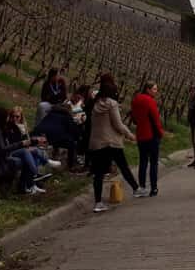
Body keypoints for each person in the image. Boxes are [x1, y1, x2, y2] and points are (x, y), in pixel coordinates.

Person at [89, 74, 145, 212]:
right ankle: (136, 189)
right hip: (111, 142)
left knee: (98, 173)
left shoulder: (95, 103)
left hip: (96, 142)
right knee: (123, 166)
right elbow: (118, 124)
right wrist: (130, 135)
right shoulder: (112, 104)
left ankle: (98, 203)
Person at [0, 107, 41, 195]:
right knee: (23, 157)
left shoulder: (0, 128)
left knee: (29, 153)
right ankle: (32, 178)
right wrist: (21, 144)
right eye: (8, 116)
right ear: (2, 117)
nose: (9, 119)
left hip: (1, 157)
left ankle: (29, 181)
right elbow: (3, 149)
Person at [131, 81, 164, 197]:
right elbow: (155, 119)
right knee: (154, 162)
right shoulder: (150, 101)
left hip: (141, 135)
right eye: (154, 89)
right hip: (152, 135)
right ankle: (154, 188)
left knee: (143, 161)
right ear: (148, 89)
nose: (156, 91)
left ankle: (142, 187)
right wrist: (160, 133)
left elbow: (134, 118)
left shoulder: (136, 100)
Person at [6, 106, 61, 175]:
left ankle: (32, 179)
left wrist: (35, 141)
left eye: (17, 117)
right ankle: (41, 167)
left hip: (21, 148)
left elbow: (27, 140)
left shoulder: (22, 126)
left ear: (21, 117)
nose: (14, 119)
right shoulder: (9, 127)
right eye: (12, 116)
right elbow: (15, 143)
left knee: (36, 152)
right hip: (13, 150)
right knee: (34, 151)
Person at [32, 103, 81, 170]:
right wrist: (78, 136)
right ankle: (71, 165)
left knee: (60, 136)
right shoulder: (66, 116)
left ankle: (55, 153)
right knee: (71, 143)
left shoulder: (50, 113)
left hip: (38, 132)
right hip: (52, 136)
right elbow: (73, 131)